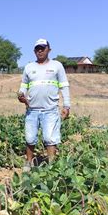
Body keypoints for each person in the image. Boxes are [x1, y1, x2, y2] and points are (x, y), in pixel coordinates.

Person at [18, 39, 70, 172]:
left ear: (49, 50)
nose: (40, 50)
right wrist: (21, 95)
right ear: (34, 51)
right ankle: (28, 163)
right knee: (30, 138)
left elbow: (64, 85)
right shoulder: (29, 67)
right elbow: (23, 85)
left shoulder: (57, 65)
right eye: (37, 48)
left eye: (43, 48)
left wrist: (66, 105)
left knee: (50, 138)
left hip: (50, 110)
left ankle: (51, 165)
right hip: (32, 110)